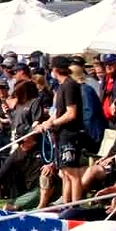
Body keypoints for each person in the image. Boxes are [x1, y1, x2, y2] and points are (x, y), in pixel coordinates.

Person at [37, 56, 85, 205]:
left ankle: (76, 206)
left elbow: (71, 113)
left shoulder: (70, 85)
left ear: (56, 69)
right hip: (61, 135)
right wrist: (45, 123)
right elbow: (56, 113)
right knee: (64, 173)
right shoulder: (61, 86)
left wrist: (53, 123)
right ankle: (66, 204)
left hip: (70, 135)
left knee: (73, 173)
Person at [0, 125, 45, 209]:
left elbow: (52, 157)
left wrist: (50, 165)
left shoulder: (42, 146)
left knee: (39, 191)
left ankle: (15, 207)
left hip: (41, 187)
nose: (33, 136)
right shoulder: (16, 155)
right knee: (3, 199)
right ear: (23, 139)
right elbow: (1, 172)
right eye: (30, 135)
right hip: (26, 189)